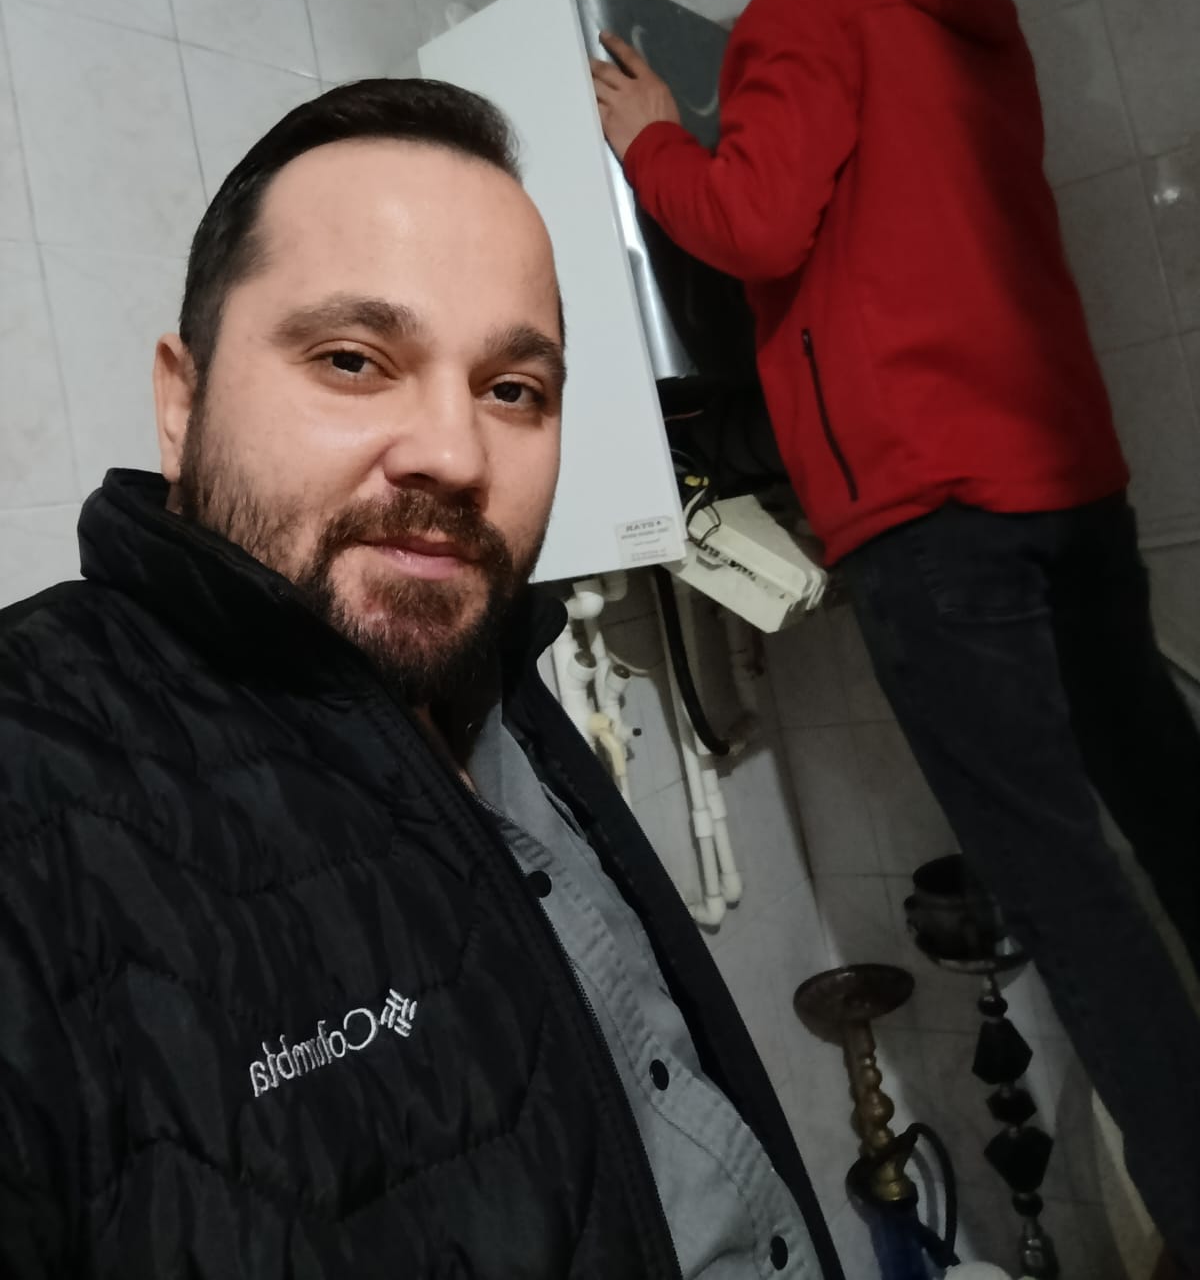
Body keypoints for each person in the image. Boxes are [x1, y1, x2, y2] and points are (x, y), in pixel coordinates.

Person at [0, 80, 841, 1279]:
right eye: (353, 360)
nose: (455, 453)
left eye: (513, 390)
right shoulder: (31, 767)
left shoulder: (490, 680)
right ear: (181, 404)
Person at [591, 0, 1200, 1276]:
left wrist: (652, 133)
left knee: (1063, 885)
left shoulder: (806, 15)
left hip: (932, 513)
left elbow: (754, 222)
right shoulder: (966, 17)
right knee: (1170, 803)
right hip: (1065, 481)